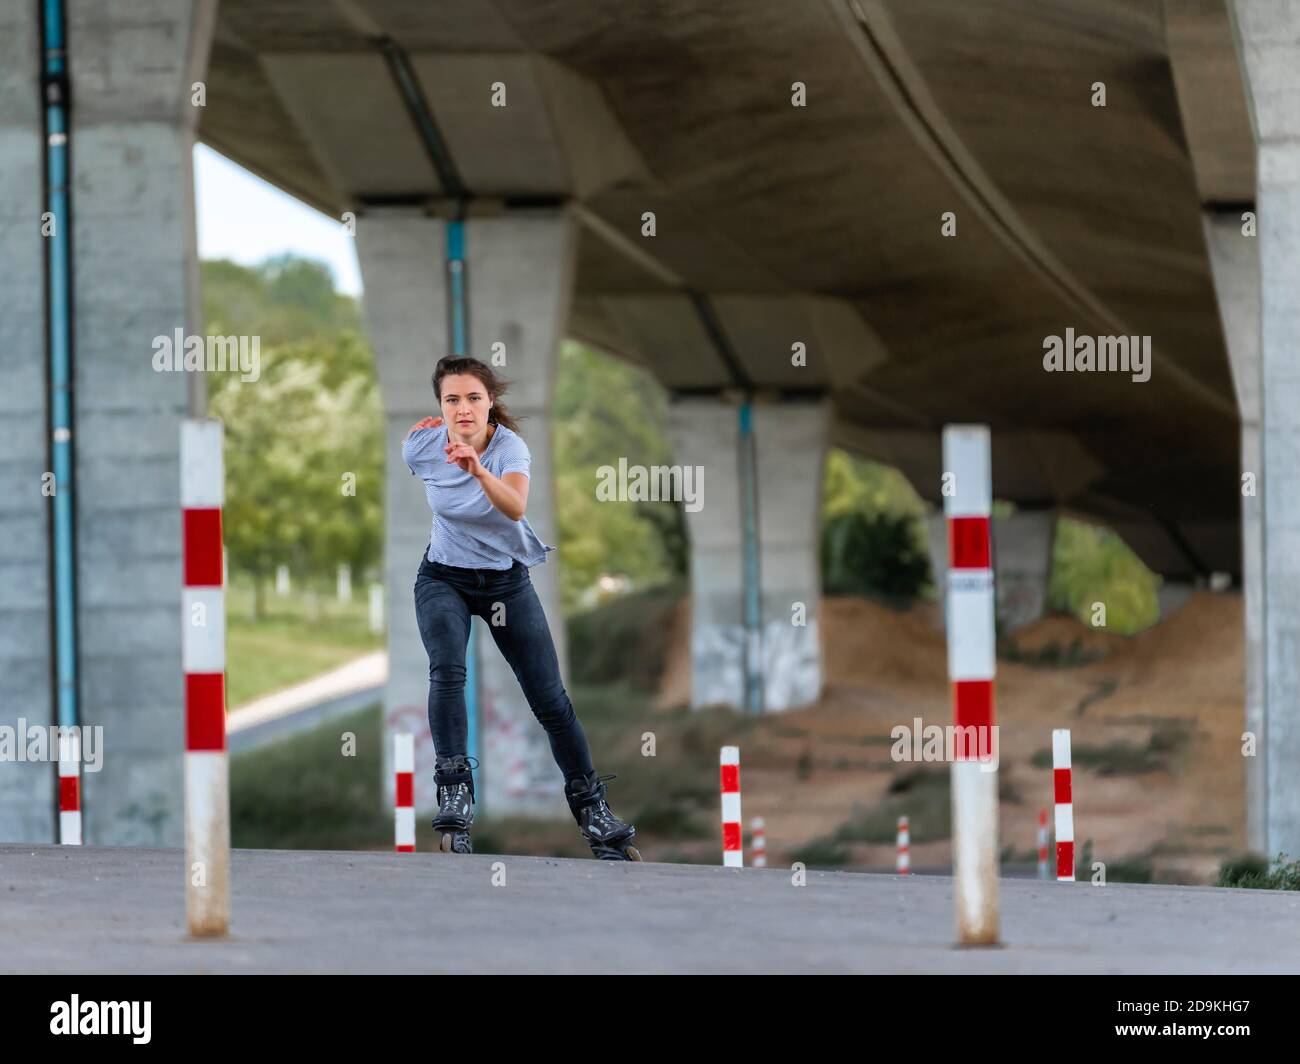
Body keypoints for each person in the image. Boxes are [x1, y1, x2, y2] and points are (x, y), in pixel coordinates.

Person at [401, 355, 640, 860]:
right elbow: (421, 455)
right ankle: (454, 791)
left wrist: (475, 468)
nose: (462, 409)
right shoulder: (421, 446)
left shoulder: (510, 447)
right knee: (447, 670)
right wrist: (434, 436)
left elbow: (514, 506)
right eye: (451, 400)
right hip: (443, 578)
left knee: (550, 700)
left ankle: (592, 809)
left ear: (490, 403)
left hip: (506, 584)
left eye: (472, 398)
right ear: (439, 406)